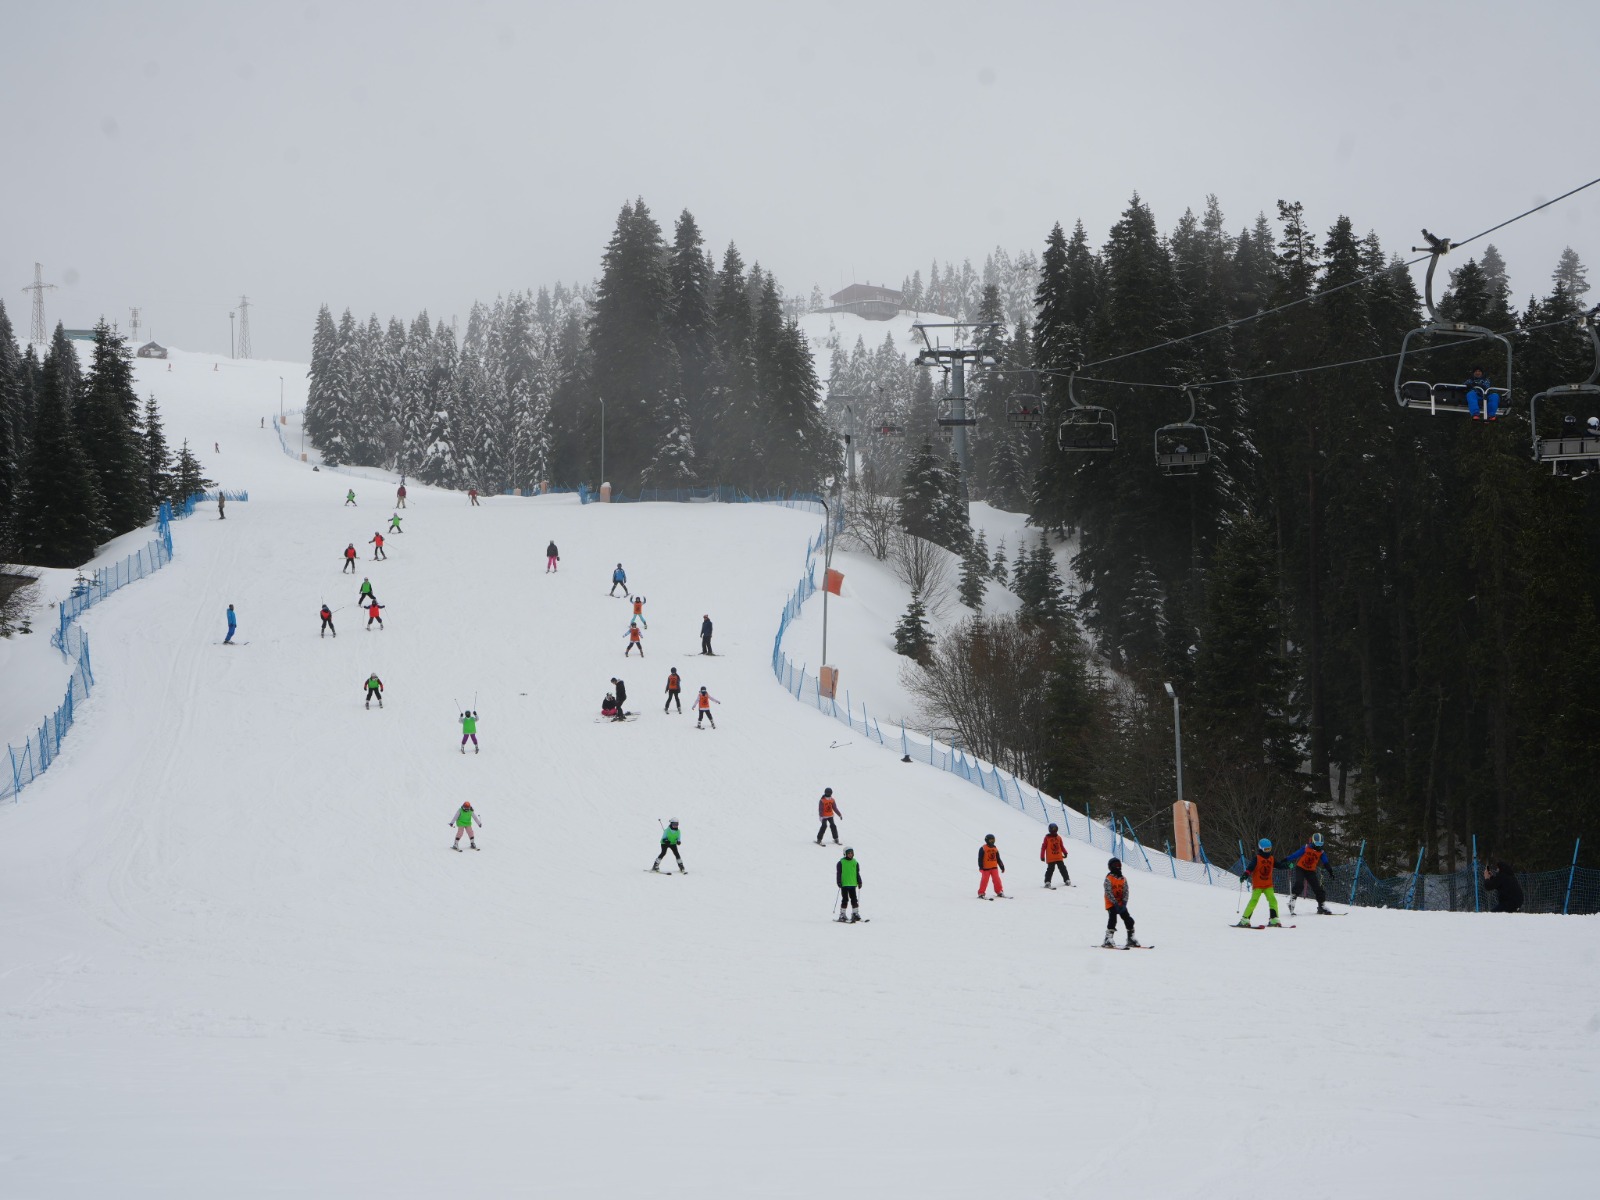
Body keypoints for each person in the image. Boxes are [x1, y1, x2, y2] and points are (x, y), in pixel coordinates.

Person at [1235, 839, 1283, 927]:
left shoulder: (1271, 859)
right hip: (1258, 885)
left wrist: (1287, 865)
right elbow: (1250, 867)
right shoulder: (1257, 858)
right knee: (1254, 901)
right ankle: (1244, 919)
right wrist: (1245, 874)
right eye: (1266, 850)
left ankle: (1274, 919)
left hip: (1268, 885)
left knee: (1273, 900)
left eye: (1269, 849)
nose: (1267, 852)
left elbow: (1279, 865)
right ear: (1261, 849)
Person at [1284, 833, 1334, 916]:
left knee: (1318, 888)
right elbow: (1295, 855)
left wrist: (1330, 871)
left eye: (1321, 844)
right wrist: (1285, 860)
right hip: (1301, 868)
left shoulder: (1321, 852)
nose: (1319, 846)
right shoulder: (1306, 847)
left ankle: (1321, 906)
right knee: (1299, 884)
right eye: (1317, 843)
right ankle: (1292, 902)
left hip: (1310, 871)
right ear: (1313, 842)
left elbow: (1325, 862)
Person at [1102, 857, 1139, 947]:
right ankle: (1108, 939)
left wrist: (1124, 903)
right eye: (1115, 865)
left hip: (1121, 903)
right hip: (1111, 903)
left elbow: (1126, 891)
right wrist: (1115, 903)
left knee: (1128, 920)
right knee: (1113, 919)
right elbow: (1108, 892)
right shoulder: (1109, 879)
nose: (1118, 867)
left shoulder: (1123, 879)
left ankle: (1131, 938)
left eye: (1119, 865)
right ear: (1111, 867)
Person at [1041, 823, 1071, 888]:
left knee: (1063, 868)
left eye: (1055, 830)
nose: (1054, 832)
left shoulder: (1059, 837)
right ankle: (1047, 882)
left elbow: (1061, 846)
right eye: (1053, 830)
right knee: (1050, 869)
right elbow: (1043, 847)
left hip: (1059, 857)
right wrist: (1042, 856)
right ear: (1050, 830)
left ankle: (1067, 880)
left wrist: (1065, 852)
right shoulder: (1047, 838)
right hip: (1051, 858)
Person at [836, 847, 862, 922]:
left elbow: (857, 873)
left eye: (851, 853)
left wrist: (859, 882)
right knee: (845, 899)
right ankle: (842, 914)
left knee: (854, 899)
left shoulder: (855, 862)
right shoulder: (841, 863)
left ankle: (855, 913)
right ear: (845, 854)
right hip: (844, 884)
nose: (850, 854)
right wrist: (838, 881)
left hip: (853, 884)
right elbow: (839, 873)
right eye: (849, 853)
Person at [978, 833, 1007, 898]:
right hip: (986, 869)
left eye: (993, 840)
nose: (992, 842)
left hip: (994, 868)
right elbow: (980, 859)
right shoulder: (983, 848)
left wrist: (1002, 866)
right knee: (984, 881)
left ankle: (999, 892)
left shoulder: (995, 848)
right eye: (991, 840)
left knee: (997, 880)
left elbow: (998, 858)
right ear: (987, 840)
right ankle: (981, 893)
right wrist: (981, 867)